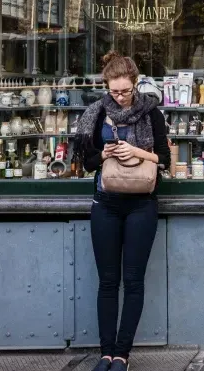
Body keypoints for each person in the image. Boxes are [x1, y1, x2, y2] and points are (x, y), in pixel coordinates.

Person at [76, 52, 171, 371]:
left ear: (135, 84)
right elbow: (86, 162)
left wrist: (136, 151)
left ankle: (122, 355)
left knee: (133, 280)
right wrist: (102, 154)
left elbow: (165, 161)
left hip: (142, 204)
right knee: (107, 281)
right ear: (107, 87)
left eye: (125, 91)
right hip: (106, 203)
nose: (120, 97)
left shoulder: (152, 113)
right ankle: (105, 353)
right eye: (114, 91)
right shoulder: (95, 113)